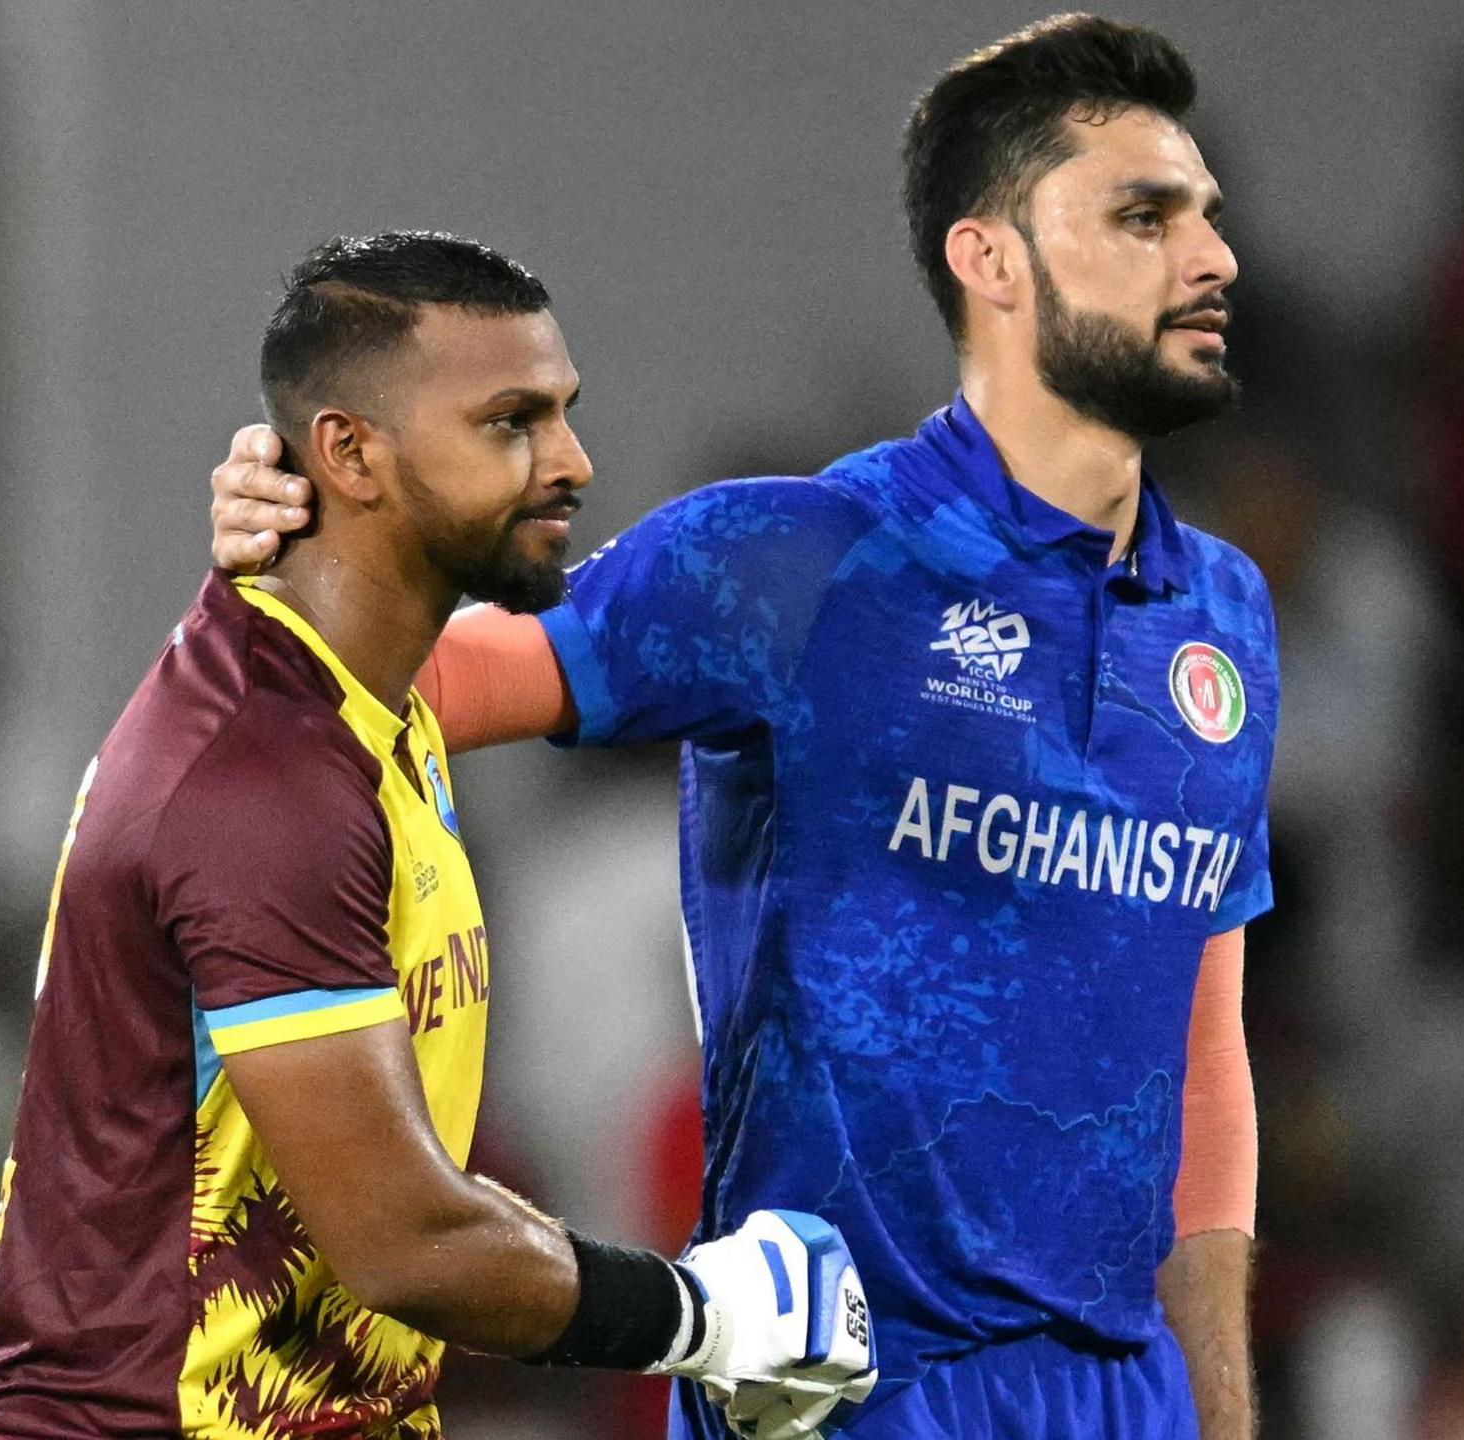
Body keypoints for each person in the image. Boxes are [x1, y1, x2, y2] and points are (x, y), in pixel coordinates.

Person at [211, 18, 1271, 1438]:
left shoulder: (1222, 622)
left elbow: (1202, 1065)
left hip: (1123, 1398)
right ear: (993, 259)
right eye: (1145, 217)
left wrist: (1220, 1411)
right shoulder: (803, 561)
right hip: (846, 1394)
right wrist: (295, 571)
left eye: (1204, 216)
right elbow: (418, 681)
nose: (1213, 260)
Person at [0, 232, 874, 1440]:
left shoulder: (380, 702)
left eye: (563, 414)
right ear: (350, 453)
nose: (571, 461)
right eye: (509, 422)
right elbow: (404, 1241)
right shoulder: (267, 781)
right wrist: (708, 1315)